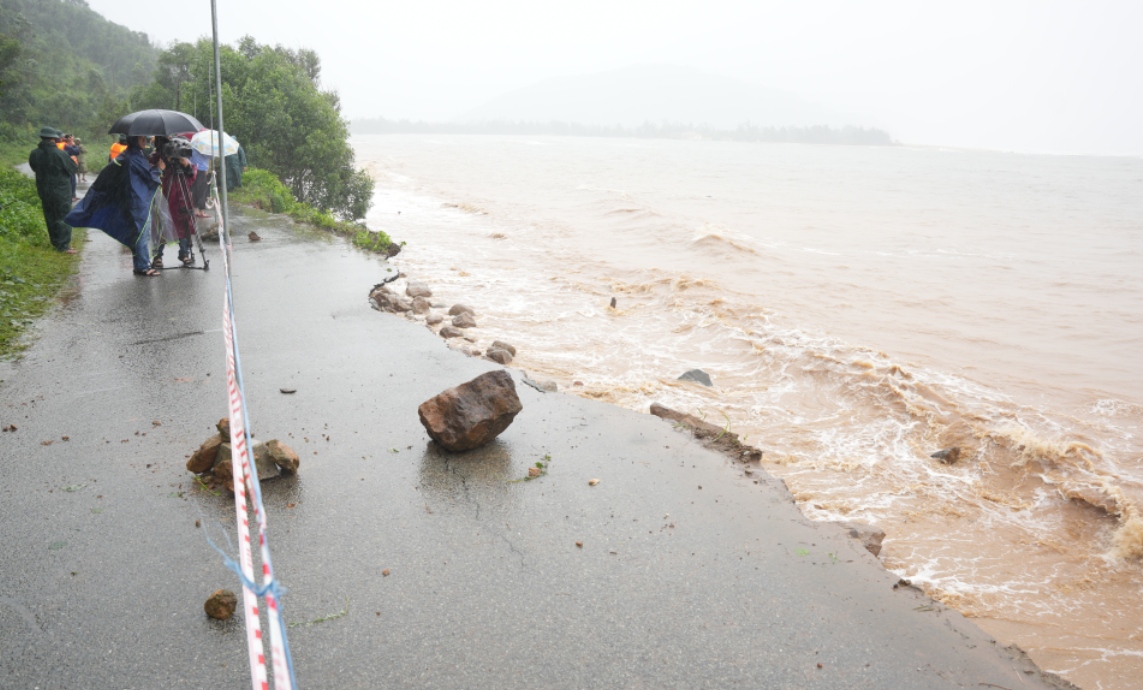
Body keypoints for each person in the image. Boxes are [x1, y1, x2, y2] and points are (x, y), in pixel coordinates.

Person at [66, 135, 163, 276]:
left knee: (138, 233)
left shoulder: (130, 154)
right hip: (138, 201)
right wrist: (159, 169)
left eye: (144, 138)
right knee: (143, 234)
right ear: (134, 139)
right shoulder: (134, 157)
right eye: (141, 138)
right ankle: (143, 267)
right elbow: (149, 177)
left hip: (133, 199)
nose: (145, 140)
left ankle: (140, 265)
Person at [27, 126, 78, 254]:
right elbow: (73, 169)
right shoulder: (61, 154)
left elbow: (34, 168)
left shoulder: (34, 153)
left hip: (44, 189)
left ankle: (55, 242)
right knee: (64, 216)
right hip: (61, 190)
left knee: (50, 215)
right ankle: (64, 246)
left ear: (41, 137)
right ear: (55, 139)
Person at [151, 137, 197, 268]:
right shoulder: (157, 158)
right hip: (165, 197)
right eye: (170, 148)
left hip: (181, 198)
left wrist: (186, 165)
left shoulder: (182, 159)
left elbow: (191, 176)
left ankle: (184, 253)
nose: (173, 150)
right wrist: (163, 168)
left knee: (184, 224)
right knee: (161, 225)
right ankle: (157, 256)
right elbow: (155, 178)